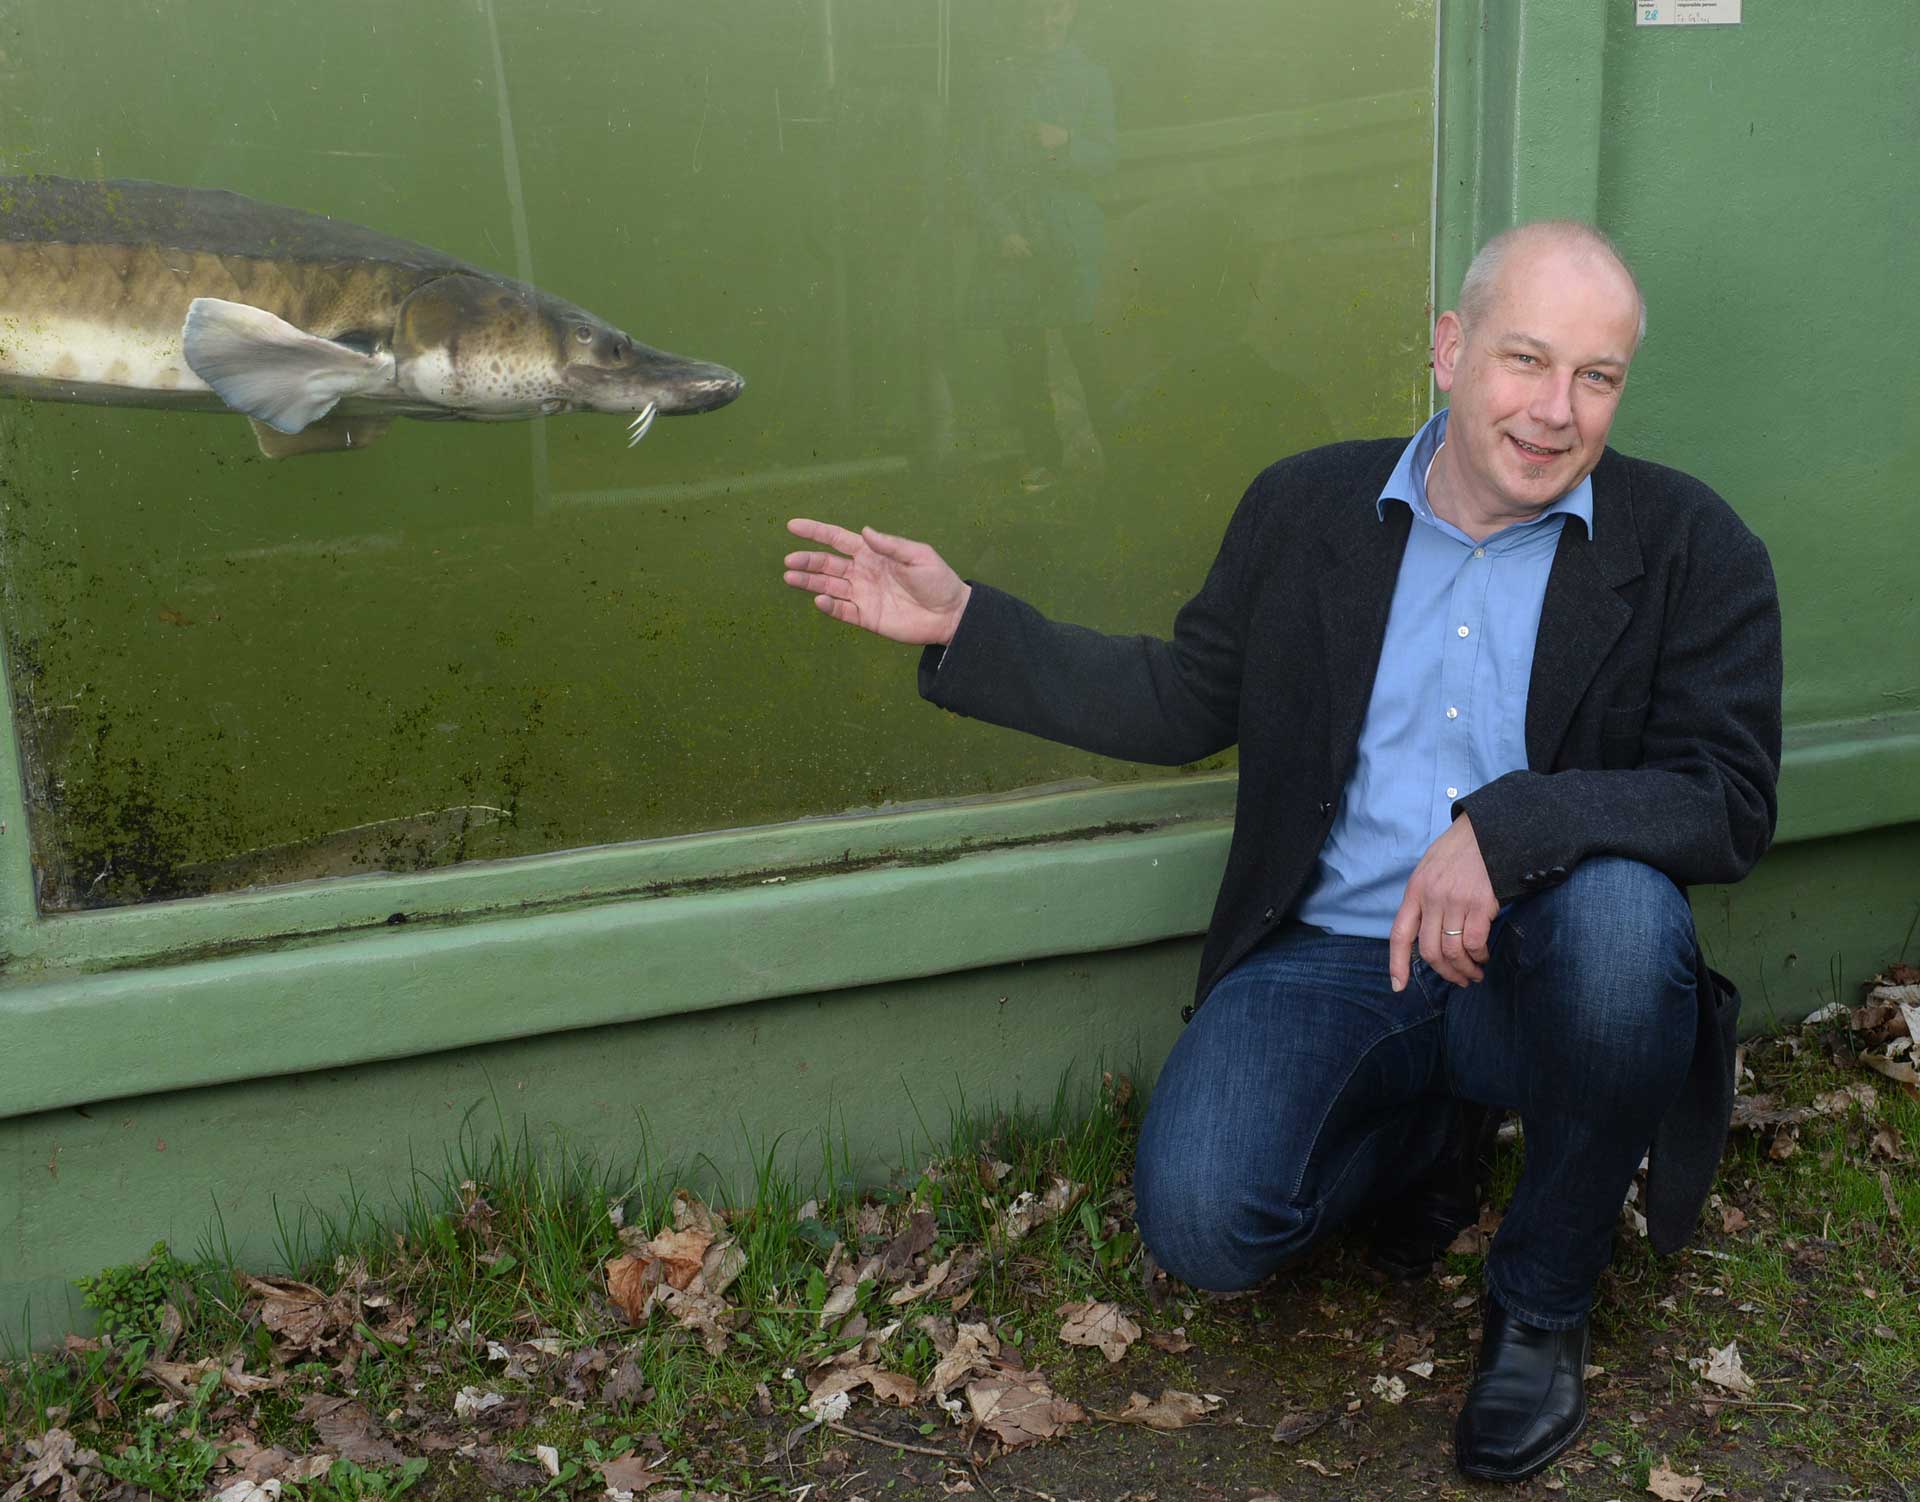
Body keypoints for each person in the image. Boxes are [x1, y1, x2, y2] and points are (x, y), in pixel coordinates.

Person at [778, 222, 1782, 1483]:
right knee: (1205, 1221)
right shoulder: (1308, 506)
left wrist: (1512, 825)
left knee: (1631, 926)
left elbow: (1726, 801)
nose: (1556, 409)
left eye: (1597, 375)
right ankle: (1433, 1135)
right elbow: (1186, 698)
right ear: (1450, 347)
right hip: (1337, 955)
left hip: (1547, 965)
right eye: (1527, 360)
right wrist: (971, 624)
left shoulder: (1692, 545)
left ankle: (1541, 1301)